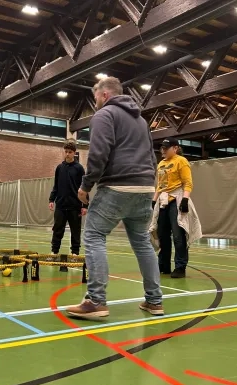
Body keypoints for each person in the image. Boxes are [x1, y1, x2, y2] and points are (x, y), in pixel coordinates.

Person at [65, 77, 164, 319]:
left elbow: (99, 153)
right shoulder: (141, 121)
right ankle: (154, 301)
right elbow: (152, 158)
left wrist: (85, 186)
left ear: (105, 95)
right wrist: (149, 185)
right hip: (143, 189)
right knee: (142, 242)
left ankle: (96, 301)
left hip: (117, 186)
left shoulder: (104, 115)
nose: (95, 101)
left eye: (96, 96)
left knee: (94, 235)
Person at [149, 138, 202, 278]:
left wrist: (185, 200)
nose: (163, 150)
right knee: (162, 235)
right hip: (162, 201)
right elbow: (160, 185)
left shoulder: (181, 161)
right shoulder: (161, 164)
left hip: (176, 199)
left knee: (178, 235)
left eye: (166, 148)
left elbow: (187, 182)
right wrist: (154, 201)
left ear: (175, 148)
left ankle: (180, 266)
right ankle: (164, 265)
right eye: (162, 148)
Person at [48, 140, 88, 255]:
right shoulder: (59, 168)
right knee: (57, 230)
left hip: (75, 206)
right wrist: (51, 199)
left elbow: (84, 187)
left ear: (74, 153)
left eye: (70, 152)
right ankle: (54, 252)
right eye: (65, 151)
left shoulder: (79, 168)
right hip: (60, 205)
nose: (67, 154)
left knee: (75, 231)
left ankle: (75, 252)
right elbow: (56, 185)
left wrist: (85, 205)